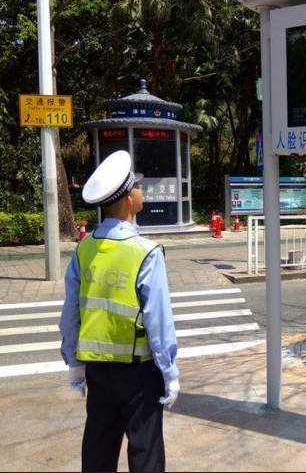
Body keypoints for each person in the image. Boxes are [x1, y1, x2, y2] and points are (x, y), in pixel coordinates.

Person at [59, 150, 180, 472]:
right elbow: (158, 319)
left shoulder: (84, 248)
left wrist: (74, 362)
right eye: (137, 185)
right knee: (146, 452)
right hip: (139, 371)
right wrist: (169, 372)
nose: (142, 190)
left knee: (98, 449)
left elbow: (71, 311)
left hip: (98, 372)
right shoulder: (146, 252)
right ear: (129, 198)